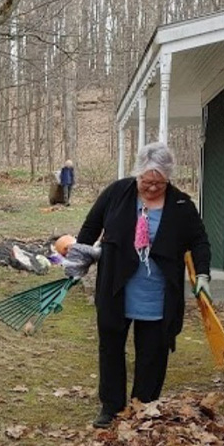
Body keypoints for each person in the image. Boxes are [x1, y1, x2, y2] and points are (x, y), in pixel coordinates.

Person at [65, 142, 212, 428]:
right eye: (147, 181)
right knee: (111, 348)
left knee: (153, 354)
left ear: (168, 178)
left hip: (158, 294)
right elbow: (90, 226)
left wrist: (203, 275)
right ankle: (111, 407)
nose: (152, 188)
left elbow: (199, 240)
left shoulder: (181, 205)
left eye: (159, 182)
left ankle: (143, 407)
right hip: (116, 289)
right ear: (138, 175)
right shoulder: (117, 193)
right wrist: (78, 260)